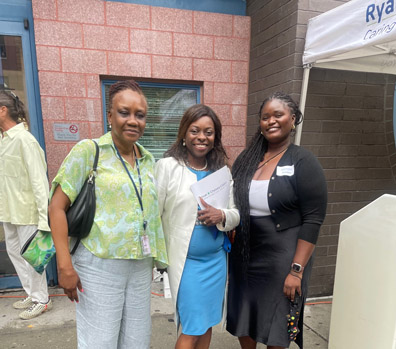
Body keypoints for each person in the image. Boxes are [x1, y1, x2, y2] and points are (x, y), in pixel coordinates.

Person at [48, 80, 168, 348]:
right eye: (125, 112)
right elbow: (56, 207)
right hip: (98, 264)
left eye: (140, 115)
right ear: (110, 116)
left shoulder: (148, 159)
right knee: (100, 340)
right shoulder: (89, 152)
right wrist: (64, 265)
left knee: (136, 340)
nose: (133, 121)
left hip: (139, 265)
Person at [226, 92, 327, 349]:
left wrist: (297, 270)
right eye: (265, 117)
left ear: (292, 119)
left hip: (283, 256)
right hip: (245, 253)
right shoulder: (246, 160)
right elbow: (231, 201)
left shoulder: (304, 161)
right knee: (244, 313)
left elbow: (313, 219)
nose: (271, 121)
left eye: (278, 115)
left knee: (277, 322)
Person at [155, 104, 240, 349]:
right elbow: (154, 215)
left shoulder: (221, 172)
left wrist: (221, 215)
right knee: (191, 328)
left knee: (207, 324)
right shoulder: (168, 167)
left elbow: (236, 214)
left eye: (208, 132)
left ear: (215, 137)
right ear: (184, 134)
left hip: (215, 262)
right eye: (195, 130)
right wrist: (157, 259)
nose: (202, 137)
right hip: (187, 265)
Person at [0, 90, 52, 319]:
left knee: (32, 258)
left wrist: (44, 219)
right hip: (9, 211)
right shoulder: (4, 141)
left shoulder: (25, 140)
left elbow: (40, 182)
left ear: (2, 111)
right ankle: (32, 293)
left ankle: (42, 299)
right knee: (15, 254)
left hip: (27, 212)